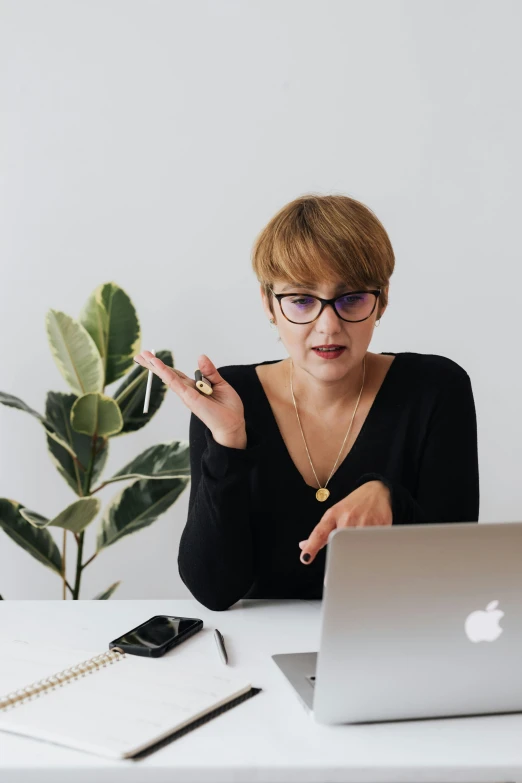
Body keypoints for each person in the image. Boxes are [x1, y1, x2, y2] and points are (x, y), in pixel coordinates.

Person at [134, 194, 480, 611]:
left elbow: (458, 574)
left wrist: (392, 499)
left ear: (382, 300)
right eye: (301, 300)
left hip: (393, 643)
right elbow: (214, 589)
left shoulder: (436, 388)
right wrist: (228, 441)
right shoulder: (230, 397)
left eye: (351, 298)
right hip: (259, 655)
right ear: (269, 305)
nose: (328, 326)